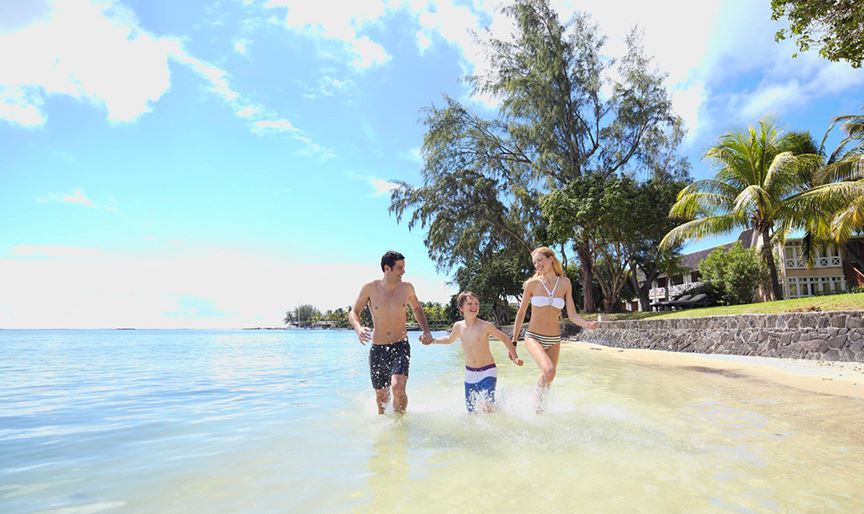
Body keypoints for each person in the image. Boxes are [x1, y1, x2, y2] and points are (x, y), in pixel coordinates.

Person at [511, 246, 598, 410]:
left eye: (540, 260)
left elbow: (572, 314)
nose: (537, 265)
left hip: (554, 339)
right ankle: (535, 399)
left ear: (551, 259)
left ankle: (539, 412)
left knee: (548, 380)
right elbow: (521, 313)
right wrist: (514, 342)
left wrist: (586, 324)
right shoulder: (532, 284)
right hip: (533, 337)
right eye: (534, 262)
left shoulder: (565, 283)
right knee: (549, 372)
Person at [349, 250, 433, 415]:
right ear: (387, 269)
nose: (403, 271)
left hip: (400, 345)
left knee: (398, 387)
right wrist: (358, 329)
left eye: (403, 267)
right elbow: (353, 313)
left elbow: (416, 308)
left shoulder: (407, 288)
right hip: (378, 348)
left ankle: (401, 421)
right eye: (400, 268)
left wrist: (426, 331)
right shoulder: (369, 289)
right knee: (382, 397)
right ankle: (385, 435)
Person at [428, 291, 523, 413]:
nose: (474, 306)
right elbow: (449, 339)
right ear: (461, 308)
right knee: (472, 411)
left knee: (486, 405)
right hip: (470, 373)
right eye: (469, 304)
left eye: (476, 303)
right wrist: (433, 341)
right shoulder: (458, 326)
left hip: (488, 371)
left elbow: (504, 338)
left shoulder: (485, 326)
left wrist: (514, 357)